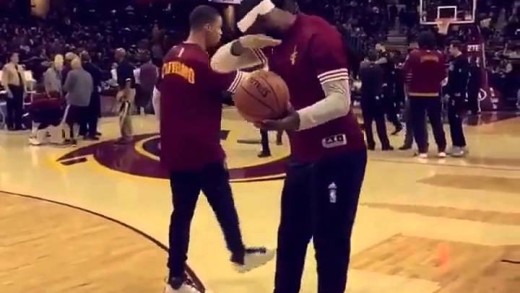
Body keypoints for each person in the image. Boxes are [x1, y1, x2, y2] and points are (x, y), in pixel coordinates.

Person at [211, 0, 367, 292]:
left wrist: (294, 121)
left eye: (255, 25)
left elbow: (340, 101)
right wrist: (241, 44)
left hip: (339, 153)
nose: (253, 32)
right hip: (303, 154)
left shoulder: (319, 36)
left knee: (330, 243)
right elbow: (218, 64)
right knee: (291, 239)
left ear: (271, 12)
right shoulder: (269, 41)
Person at [156, 5, 275, 293]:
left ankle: (175, 279)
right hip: (203, 151)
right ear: (208, 27)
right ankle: (239, 253)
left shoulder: (171, 56)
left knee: (181, 214)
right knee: (223, 204)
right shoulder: (205, 62)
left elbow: (157, 99)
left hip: (177, 151)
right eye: (219, 28)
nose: (221, 33)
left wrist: (169, 133)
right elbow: (246, 85)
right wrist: (269, 74)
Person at [402, 31, 447, 159]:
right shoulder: (440, 55)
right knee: (437, 122)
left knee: (418, 122)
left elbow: (405, 72)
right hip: (434, 93)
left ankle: (423, 150)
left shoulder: (414, 55)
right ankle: (441, 148)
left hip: (416, 93)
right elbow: (443, 75)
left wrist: (410, 84)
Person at [359, 50, 393, 151]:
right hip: (377, 97)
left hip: (365, 97)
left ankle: (370, 144)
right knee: (380, 122)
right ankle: (384, 144)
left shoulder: (363, 69)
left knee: (367, 123)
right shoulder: (379, 69)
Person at [445, 40, 469, 157]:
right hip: (452, 93)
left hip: (457, 95)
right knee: (452, 119)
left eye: (450, 48)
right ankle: (459, 144)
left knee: (455, 120)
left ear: (456, 48)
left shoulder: (462, 61)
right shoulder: (454, 61)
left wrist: (458, 93)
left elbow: (462, 79)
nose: (449, 50)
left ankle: (458, 146)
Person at [62, 57, 93, 145]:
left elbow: (66, 87)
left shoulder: (72, 73)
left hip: (74, 101)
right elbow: (91, 89)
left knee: (67, 121)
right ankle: (75, 137)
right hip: (86, 102)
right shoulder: (88, 74)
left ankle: (68, 138)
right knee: (77, 122)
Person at [375, 42, 402, 135]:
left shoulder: (386, 55)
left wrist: (373, 63)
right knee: (387, 107)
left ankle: (397, 123)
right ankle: (395, 123)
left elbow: (385, 60)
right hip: (383, 84)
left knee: (388, 105)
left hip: (388, 85)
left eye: (377, 45)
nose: (376, 47)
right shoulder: (380, 55)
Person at [114, 48, 136, 144]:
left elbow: (128, 81)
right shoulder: (122, 66)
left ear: (120, 55)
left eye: (116, 53)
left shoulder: (124, 66)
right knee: (123, 115)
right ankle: (125, 135)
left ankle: (127, 136)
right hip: (125, 90)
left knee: (125, 115)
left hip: (127, 90)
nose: (114, 55)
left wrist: (125, 94)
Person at [1, 52, 27, 131]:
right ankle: (10, 125)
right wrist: (8, 91)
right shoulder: (7, 67)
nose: (17, 58)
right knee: (11, 108)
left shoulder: (20, 67)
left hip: (20, 88)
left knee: (19, 108)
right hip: (12, 88)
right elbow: (4, 80)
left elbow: (23, 79)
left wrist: (25, 89)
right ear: (11, 58)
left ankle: (18, 124)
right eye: (15, 56)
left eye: (17, 56)